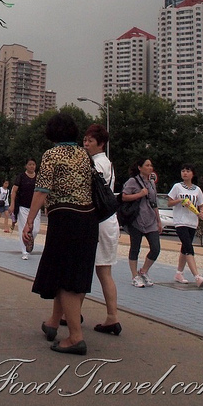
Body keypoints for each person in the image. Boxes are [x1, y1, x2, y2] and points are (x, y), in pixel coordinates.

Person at [23, 113, 98, 355]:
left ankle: (75, 337)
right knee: (72, 272)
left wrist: (29, 221)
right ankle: (53, 322)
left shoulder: (52, 155)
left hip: (65, 219)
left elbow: (41, 190)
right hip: (88, 219)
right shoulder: (84, 155)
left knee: (65, 277)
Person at [83, 124, 121, 335]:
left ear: (101, 143)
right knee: (104, 271)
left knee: (84, 267)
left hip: (96, 220)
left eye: (90, 141)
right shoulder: (109, 164)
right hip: (109, 219)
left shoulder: (95, 164)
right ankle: (112, 317)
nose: (86, 144)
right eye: (85, 140)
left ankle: (70, 314)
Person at [122, 157, 162, 288]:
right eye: (147, 165)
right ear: (140, 168)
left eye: (151, 165)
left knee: (155, 248)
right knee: (135, 247)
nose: (150, 168)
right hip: (136, 219)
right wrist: (139, 194)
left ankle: (144, 271)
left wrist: (158, 220)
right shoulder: (132, 181)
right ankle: (134, 276)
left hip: (150, 219)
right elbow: (123, 196)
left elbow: (154, 202)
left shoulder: (151, 183)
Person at [168, 164, 203, 288]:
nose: (185, 173)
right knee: (189, 248)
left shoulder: (197, 190)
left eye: (188, 171)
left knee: (185, 248)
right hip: (180, 221)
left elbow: (201, 205)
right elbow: (169, 202)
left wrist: (201, 212)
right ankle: (197, 276)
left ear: (192, 174)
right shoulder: (177, 187)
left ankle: (179, 273)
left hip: (192, 222)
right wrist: (180, 200)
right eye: (183, 171)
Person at [9, 158, 39, 260]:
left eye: (33, 164)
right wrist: (12, 204)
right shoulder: (21, 177)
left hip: (35, 207)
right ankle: (24, 252)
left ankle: (29, 242)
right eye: (29, 164)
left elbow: (42, 192)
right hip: (23, 207)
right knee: (23, 229)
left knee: (35, 230)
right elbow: (14, 191)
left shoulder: (38, 178)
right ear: (26, 166)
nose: (32, 166)